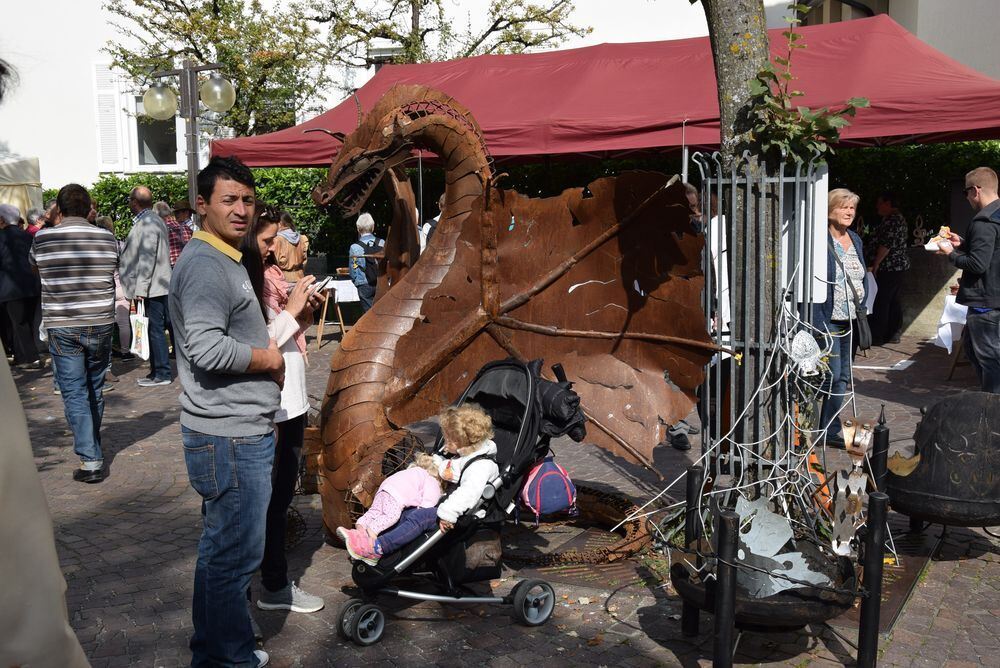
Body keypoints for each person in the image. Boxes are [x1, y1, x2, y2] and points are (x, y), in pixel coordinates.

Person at [169, 156, 284, 668]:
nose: (241, 210)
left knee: (220, 555)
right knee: (233, 560)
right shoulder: (205, 265)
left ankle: (211, 653)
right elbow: (206, 349)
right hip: (229, 435)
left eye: (247, 200)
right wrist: (269, 358)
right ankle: (231, 659)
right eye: (228, 200)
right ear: (202, 204)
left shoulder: (226, 257)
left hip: (232, 430)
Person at [239, 204, 325, 615]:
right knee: (268, 500)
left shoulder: (268, 278)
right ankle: (271, 585)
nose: (275, 248)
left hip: (289, 401)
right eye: (268, 240)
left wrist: (303, 312)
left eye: (278, 238)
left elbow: (286, 337)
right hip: (270, 405)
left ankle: (271, 582)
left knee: (278, 497)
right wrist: (292, 312)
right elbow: (261, 345)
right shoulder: (245, 283)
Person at [30, 184, 119, 483]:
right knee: (94, 386)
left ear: (60, 209)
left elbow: (35, 270)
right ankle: (92, 446)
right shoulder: (107, 238)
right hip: (100, 321)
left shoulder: (43, 238)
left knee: (74, 391)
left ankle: (91, 458)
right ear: (88, 208)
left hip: (63, 321)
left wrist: (45, 222)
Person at [340, 404, 499, 565]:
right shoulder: (464, 454)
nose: (446, 441)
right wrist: (436, 462)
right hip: (447, 505)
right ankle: (368, 541)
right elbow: (449, 466)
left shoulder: (481, 466)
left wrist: (448, 513)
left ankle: (378, 548)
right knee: (404, 514)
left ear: (463, 441)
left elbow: (467, 494)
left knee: (420, 517)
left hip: (460, 514)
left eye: (449, 439)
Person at [814, 188, 868, 448]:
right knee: (832, 375)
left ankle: (829, 428)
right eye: (843, 207)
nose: (849, 212)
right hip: (828, 318)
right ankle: (821, 426)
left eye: (852, 208)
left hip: (852, 320)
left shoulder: (855, 238)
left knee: (844, 376)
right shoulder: (819, 239)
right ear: (829, 209)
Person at [940, 167, 1000, 393]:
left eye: (966, 193)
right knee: (978, 353)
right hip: (994, 298)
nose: (966, 198)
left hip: (985, 302)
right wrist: (963, 243)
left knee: (988, 360)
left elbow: (977, 264)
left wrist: (950, 253)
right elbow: (992, 251)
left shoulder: (983, 221)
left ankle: (992, 412)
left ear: (975, 190)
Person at [335, 453, 444, 565]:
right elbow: (427, 506)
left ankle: (358, 531)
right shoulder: (432, 480)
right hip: (396, 496)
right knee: (390, 516)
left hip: (384, 489)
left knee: (374, 512)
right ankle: (371, 541)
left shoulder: (415, 471)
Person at [120, 186, 172, 386]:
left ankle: (162, 373)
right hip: (152, 287)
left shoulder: (148, 222)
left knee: (154, 330)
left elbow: (147, 259)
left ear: (135, 201)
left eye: (130, 200)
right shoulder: (149, 220)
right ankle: (156, 371)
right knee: (151, 329)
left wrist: (140, 291)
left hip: (152, 288)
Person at [0, 203, 41, 368]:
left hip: (10, 288)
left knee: (17, 324)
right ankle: (21, 356)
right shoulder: (28, 236)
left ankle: (31, 358)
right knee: (27, 322)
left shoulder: (2, 237)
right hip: (31, 286)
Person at [868, 192, 911, 345]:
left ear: (888, 203)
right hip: (897, 266)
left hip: (890, 267)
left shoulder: (893, 220)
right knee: (892, 300)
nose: (877, 206)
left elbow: (886, 244)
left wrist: (877, 263)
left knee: (882, 300)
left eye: (880, 203)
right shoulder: (894, 219)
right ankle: (893, 333)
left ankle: (879, 335)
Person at [94, 216, 132, 360]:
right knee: (123, 323)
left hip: (104, 287)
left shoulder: (96, 246)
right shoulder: (120, 245)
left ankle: (107, 353)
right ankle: (125, 352)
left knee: (105, 323)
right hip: (121, 286)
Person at [349, 212, 383, 313]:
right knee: (381, 312)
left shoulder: (354, 247)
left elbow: (353, 270)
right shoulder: (382, 243)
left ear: (358, 229)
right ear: (373, 227)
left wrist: (357, 283)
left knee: (368, 314)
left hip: (364, 284)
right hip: (381, 282)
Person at [272, 211, 309, 282]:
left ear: (279, 223)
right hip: (300, 277)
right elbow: (304, 261)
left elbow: (274, 262)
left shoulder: (277, 240)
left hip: (283, 279)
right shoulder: (301, 238)